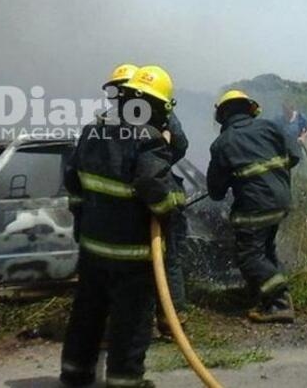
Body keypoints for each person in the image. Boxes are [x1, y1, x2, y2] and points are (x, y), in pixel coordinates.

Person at [61, 65, 186, 388]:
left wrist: (83, 224)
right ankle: (125, 381)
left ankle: (75, 375)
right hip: (132, 256)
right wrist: (172, 204)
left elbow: (73, 180)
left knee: (87, 315)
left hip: (93, 249)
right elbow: (154, 188)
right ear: (160, 107)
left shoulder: (93, 130)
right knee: (130, 324)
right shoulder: (149, 138)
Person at [102, 63, 190, 336]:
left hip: (152, 196)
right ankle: (144, 321)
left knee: (165, 259)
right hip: (139, 200)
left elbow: (179, 146)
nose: (119, 98)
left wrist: (155, 162)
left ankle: (170, 320)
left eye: (122, 91)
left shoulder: (156, 121)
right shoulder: (107, 123)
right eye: (115, 93)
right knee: (153, 262)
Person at [207, 90, 301, 323]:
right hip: (281, 201)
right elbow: (295, 154)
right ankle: (263, 296)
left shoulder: (223, 143)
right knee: (265, 250)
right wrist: (274, 173)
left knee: (250, 256)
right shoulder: (270, 127)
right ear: (250, 109)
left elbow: (216, 193)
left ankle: (279, 302)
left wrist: (234, 178)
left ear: (222, 115)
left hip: (255, 208)